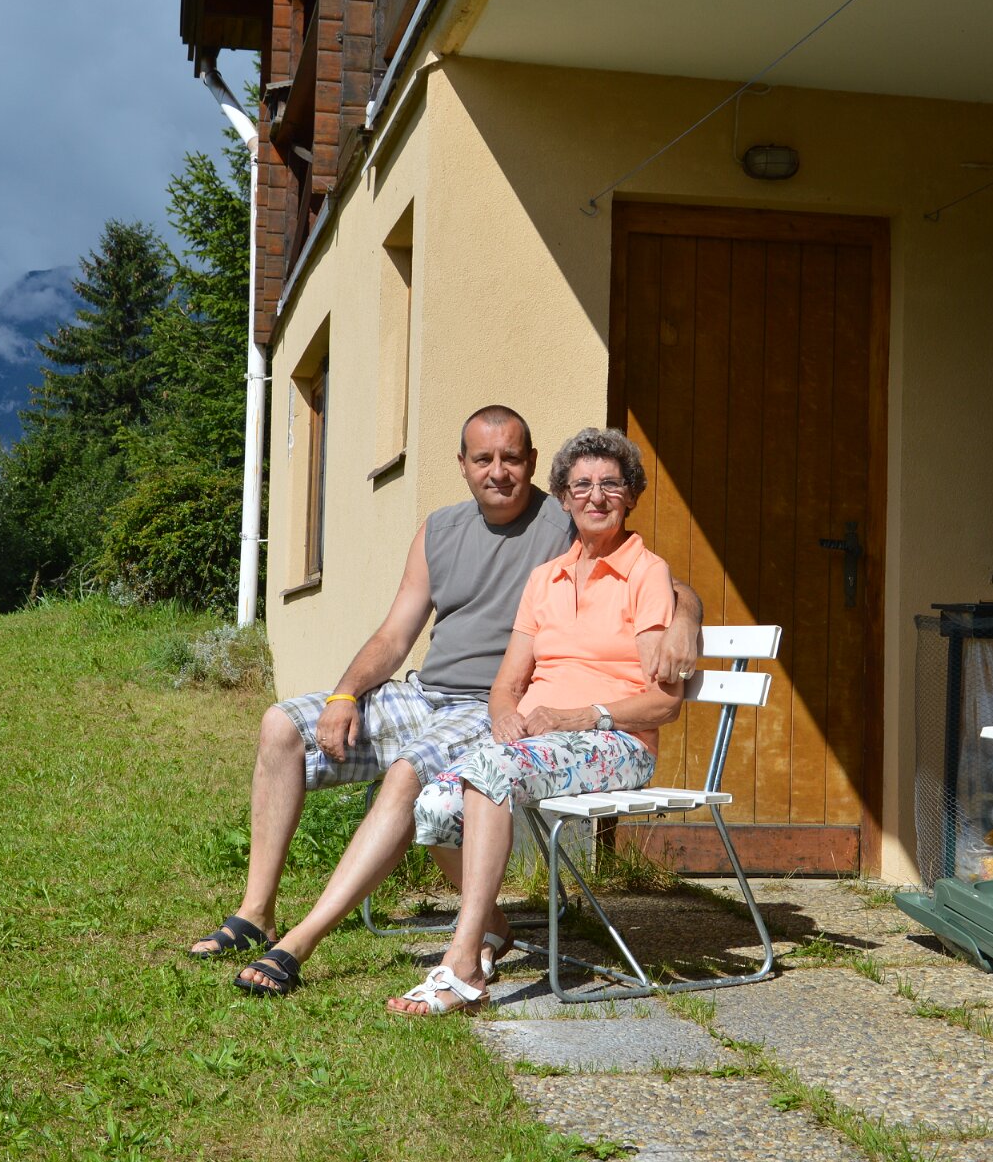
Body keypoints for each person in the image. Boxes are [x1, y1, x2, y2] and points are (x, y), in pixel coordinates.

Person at [190, 407, 702, 998]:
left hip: (482, 710)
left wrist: (686, 619)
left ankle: (303, 941)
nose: (498, 471)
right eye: (483, 459)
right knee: (281, 725)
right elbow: (393, 636)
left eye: (511, 458)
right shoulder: (443, 532)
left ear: (533, 464)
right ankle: (256, 912)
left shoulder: (562, 519)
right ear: (462, 465)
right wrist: (344, 694)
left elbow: (655, 579)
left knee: (410, 774)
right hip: (429, 695)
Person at [387, 427, 684, 1015]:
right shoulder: (545, 579)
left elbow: (665, 702)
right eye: (582, 486)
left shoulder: (646, 573)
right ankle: (492, 929)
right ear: (564, 499)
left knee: (489, 776)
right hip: (537, 743)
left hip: (616, 741)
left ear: (631, 495)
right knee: (434, 804)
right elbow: (507, 684)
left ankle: (463, 966)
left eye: (611, 484)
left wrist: (581, 716)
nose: (596, 496)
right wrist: (504, 719)